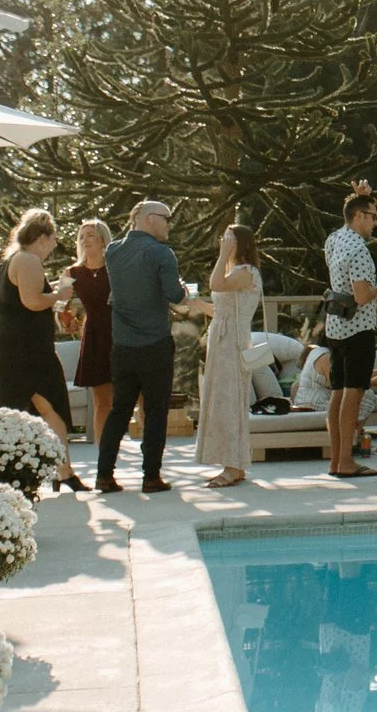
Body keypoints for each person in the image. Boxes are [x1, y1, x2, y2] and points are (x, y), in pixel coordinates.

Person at [0, 208, 86, 492]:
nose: (55, 244)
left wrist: (53, 290)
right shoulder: (29, 260)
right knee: (51, 404)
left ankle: (59, 472)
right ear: (41, 237)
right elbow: (32, 302)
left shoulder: (10, 262)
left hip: (14, 343)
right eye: (53, 238)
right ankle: (63, 473)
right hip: (25, 348)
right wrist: (60, 294)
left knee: (33, 405)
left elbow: (23, 298)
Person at [99, 199, 194, 494]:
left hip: (123, 345)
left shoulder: (113, 251)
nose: (169, 225)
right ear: (150, 219)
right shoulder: (161, 253)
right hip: (154, 343)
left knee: (119, 410)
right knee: (155, 411)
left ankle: (104, 475)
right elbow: (175, 295)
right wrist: (184, 289)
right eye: (167, 219)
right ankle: (151, 477)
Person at [321, 188, 377, 479]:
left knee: (337, 392)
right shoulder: (358, 249)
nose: (375, 223)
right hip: (358, 329)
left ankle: (335, 459)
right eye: (372, 217)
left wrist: (357, 195)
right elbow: (361, 296)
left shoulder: (334, 239)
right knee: (353, 393)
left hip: (335, 326)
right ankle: (346, 460)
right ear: (358, 216)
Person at [192, 225, 262, 488]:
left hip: (232, 340)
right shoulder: (235, 272)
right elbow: (223, 307)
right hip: (221, 337)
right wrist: (198, 305)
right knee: (220, 399)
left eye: (228, 239)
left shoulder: (246, 272)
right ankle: (232, 463)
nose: (223, 241)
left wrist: (222, 255)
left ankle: (233, 466)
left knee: (231, 400)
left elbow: (216, 284)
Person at [62, 218, 115, 442]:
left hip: (121, 332)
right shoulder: (72, 272)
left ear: (104, 240)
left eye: (91, 235)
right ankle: (105, 458)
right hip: (94, 334)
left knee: (138, 397)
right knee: (102, 401)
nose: (85, 240)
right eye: (82, 236)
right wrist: (65, 318)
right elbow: (59, 304)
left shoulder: (116, 266)